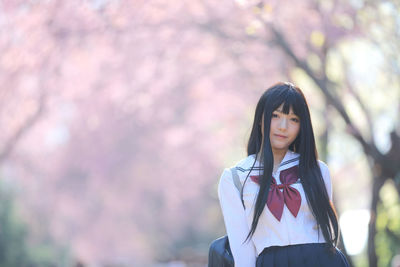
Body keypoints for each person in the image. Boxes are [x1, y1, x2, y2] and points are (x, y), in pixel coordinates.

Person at [218, 82, 350, 267]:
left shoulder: (318, 170)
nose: (283, 126)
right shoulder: (235, 178)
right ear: (260, 119)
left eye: (293, 119)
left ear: (302, 126)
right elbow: (243, 249)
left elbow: (325, 230)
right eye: (275, 115)